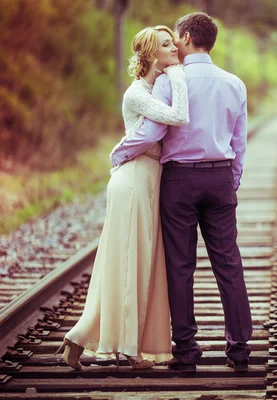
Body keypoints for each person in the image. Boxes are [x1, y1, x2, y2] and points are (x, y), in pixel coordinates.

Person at [110, 12, 252, 374]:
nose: (173, 43)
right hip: (219, 178)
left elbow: (154, 132)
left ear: (187, 37)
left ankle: (186, 353)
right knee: (228, 264)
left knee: (180, 267)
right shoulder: (234, 84)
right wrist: (230, 182)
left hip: (179, 182)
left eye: (176, 37)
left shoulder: (170, 81)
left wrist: (121, 152)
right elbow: (239, 142)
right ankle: (238, 350)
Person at [55, 25, 189, 370]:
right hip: (134, 178)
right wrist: (177, 75)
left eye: (173, 44)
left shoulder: (153, 88)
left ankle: (79, 336)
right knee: (131, 261)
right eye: (165, 45)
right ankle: (130, 350)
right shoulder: (137, 94)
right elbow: (178, 116)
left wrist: (172, 75)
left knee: (130, 261)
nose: (174, 48)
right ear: (149, 54)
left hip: (148, 177)